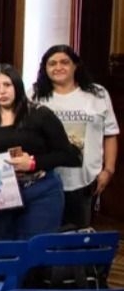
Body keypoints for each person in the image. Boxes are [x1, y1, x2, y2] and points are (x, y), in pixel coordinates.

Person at [0, 64, 81, 240]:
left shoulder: (40, 114)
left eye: (7, 85)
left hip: (41, 191)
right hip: (1, 192)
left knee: (33, 253)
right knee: (4, 252)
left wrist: (33, 162)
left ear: (17, 85)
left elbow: (70, 155)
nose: (2, 91)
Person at [32, 45, 118, 228]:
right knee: (48, 238)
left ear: (75, 66)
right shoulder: (35, 95)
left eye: (64, 62)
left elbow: (110, 134)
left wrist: (108, 170)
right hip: (46, 180)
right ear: (45, 69)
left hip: (87, 181)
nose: (58, 67)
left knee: (79, 239)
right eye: (52, 63)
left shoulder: (97, 94)